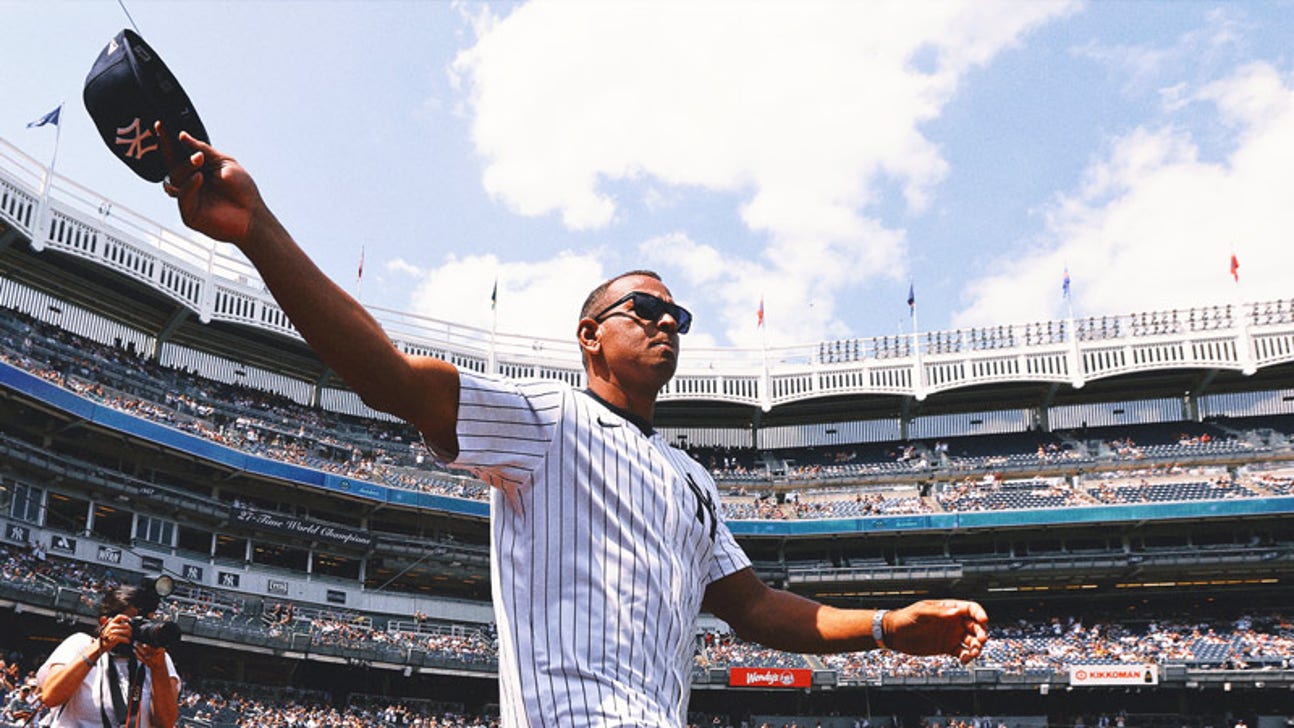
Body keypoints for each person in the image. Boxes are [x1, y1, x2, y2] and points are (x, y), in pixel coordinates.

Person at [160, 128, 989, 726]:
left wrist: (889, 627)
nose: (668, 324)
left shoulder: (693, 480)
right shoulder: (545, 421)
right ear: (590, 334)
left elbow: (757, 610)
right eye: (646, 310)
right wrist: (259, 232)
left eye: (679, 316)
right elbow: (389, 380)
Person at [36, 585, 180, 728]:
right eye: (132, 622)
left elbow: (165, 723)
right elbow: (50, 697)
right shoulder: (81, 644)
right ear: (105, 622)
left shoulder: (157, 657)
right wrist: (98, 648)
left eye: (145, 623)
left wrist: (159, 669)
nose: (138, 629)